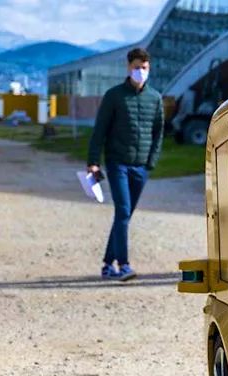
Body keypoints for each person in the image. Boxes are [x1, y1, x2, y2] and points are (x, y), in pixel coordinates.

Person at [87, 48, 164, 281]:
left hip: (141, 166)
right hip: (117, 163)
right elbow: (99, 130)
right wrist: (92, 162)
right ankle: (124, 265)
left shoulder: (155, 98)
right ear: (128, 68)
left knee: (125, 215)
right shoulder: (114, 96)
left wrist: (150, 162)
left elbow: (158, 132)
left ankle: (107, 265)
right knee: (122, 211)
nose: (140, 71)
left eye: (144, 68)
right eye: (136, 67)